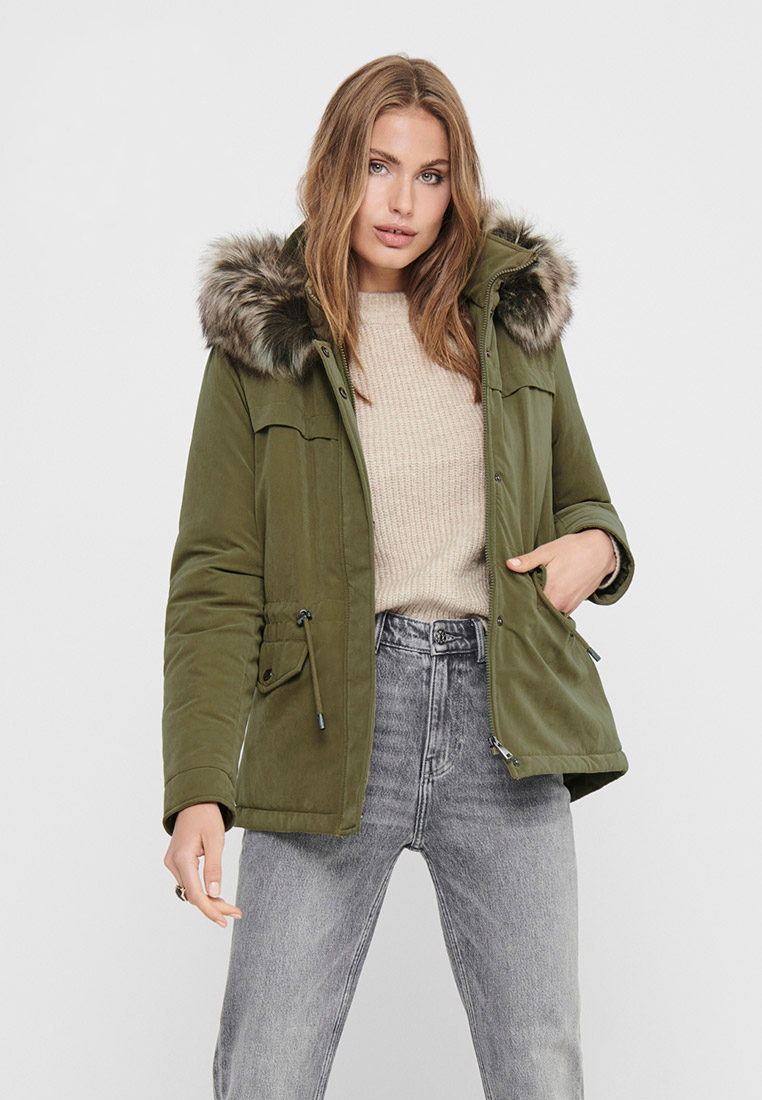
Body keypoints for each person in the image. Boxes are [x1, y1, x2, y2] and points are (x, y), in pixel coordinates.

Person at [161, 53, 634, 1100]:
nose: (403, 202)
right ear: (336, 166)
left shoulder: (509, 318)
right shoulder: (263, 340)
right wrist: (198, 785)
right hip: (329, 717)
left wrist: (595, 550)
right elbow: (215, 573)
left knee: (541, 1064)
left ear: (456, 186)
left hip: (504, 717)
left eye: (430, 175)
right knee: (267, 1065)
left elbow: (586, 501)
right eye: (379, 166)